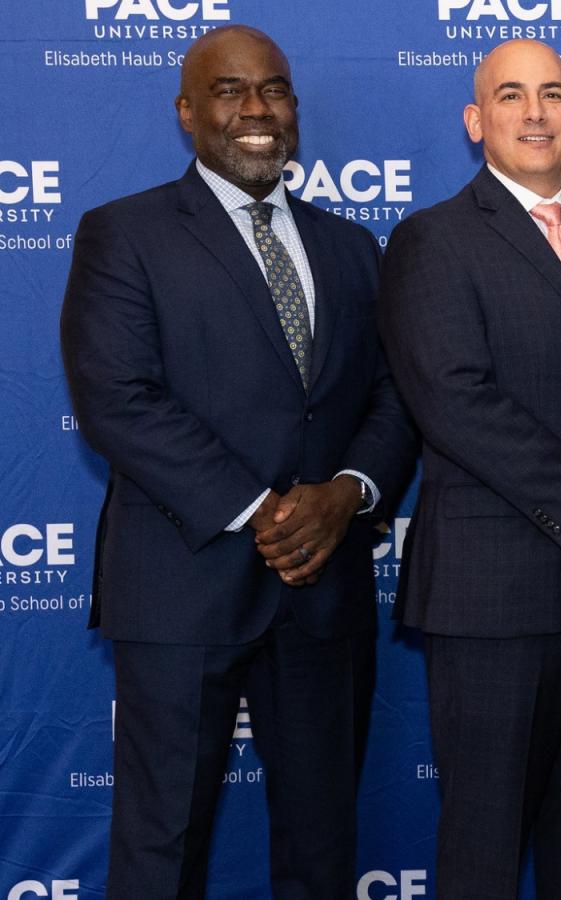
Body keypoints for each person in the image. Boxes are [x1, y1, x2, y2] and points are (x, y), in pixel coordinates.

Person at [58, 26, 415, 899]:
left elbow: (394, 396)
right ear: (187, 111)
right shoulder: (123, 233)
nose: (256, 111)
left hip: (322, 589)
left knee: (323, 843)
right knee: (161, 846)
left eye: (275, 91)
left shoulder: (352, 247)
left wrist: (346, 493)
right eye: (229, 91)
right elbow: (118, 399)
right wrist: (265, 508)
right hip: (183, 585)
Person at [376, 39, 561, 900]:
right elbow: (453, 398)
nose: (535, 112)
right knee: (485, 846)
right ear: (477, 122)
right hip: (494, 594)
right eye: (511, 95)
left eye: (553, 94)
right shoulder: (432, 239)